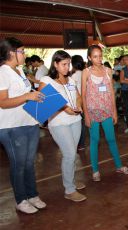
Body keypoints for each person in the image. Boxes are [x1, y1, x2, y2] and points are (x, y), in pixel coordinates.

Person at [0, 37, 46, 214]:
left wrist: (34, 95)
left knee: (28, 162)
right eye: (22, 51)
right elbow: (3, 102)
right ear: (12, 53)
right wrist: (28, 97)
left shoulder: (19, 70)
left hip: (29, 121)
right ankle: (21, 199)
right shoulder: (3, 72)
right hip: (12, 126)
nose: (25, 54)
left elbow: (25, 93)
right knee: (18, 164)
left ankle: (32, 195)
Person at [39, 50, 86, 202]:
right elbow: (43, 100)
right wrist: (66, 108)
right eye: (64, 64)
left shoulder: (71, 80)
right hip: (59, 123)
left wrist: (78, 106)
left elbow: (78, 97)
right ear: (55, 64)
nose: (67, 67)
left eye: (68, 64)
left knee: (72, 154)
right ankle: (69, 190)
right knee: (70, 154)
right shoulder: (46, 80)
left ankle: (70, 180)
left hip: (75, 120)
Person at [81, 45, 128, 182]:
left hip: (107, 111)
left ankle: (119, 166)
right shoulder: (86, 72)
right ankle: (95, 170)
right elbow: (83, 95)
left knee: (111, 139)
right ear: (90, 58)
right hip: (92, 112)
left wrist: (114, 112)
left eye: (100, 56)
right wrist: (86, 115)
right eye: (95, 56)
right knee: (94, 140)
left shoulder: (108, 71)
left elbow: (111, 93)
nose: (99, 59)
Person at [71, 55, 86, 151]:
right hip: (86, 100)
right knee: (83, 123)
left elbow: (73, 92)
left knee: (78, 123)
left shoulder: (74, 76)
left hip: (78, 101)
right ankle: (82, 144)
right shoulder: (85, 73)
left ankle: (79, 143)